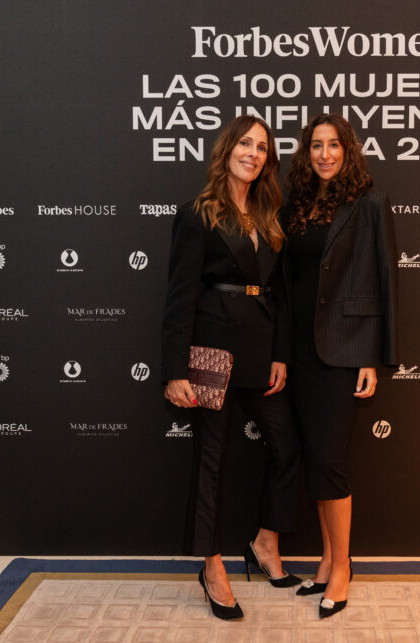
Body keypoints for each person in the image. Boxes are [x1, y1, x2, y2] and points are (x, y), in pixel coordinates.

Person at [161, 115, 301, 620]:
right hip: (212, 351)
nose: (253, 153)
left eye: (262, 147)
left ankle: (265, 541)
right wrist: (175, 370)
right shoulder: (198, 213)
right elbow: (180, 295)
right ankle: (212, 564)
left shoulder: (269, 214)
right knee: (211, 461)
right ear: (227, 150)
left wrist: (280, 353)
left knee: (287, 447)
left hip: (261, 348)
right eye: (245, 143)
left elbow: (278, 294)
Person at [283, 113, 398, 618]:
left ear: (348, 151)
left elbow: (385, 280)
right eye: (316, 145)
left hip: (345, 349)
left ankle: (344, 567)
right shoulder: (297, 205)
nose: (325, 154)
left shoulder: (370, 203)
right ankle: (328, 561)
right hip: (299, 348)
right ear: (306, 152)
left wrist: (374, 356)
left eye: (333, 145)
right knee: (316, 459)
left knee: (330, 459)